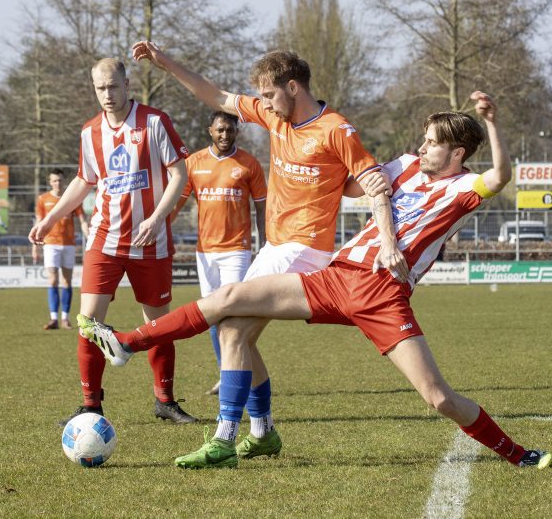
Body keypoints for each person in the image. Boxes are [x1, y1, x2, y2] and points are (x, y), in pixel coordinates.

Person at [79, 94, 552, 471]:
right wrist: (319, 167)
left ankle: (518, 454)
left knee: (438, 397)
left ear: (457, 153)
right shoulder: (406, 165)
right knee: (229, 300)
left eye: (432, 143)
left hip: (383, 297)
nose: (423, 147)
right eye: (425, 140)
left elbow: (500, 175)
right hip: (335, 277)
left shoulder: (462, 189)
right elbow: (356, 183)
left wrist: (492, 122)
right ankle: (127, 342)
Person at [131, 42, 390, 456]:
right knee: (235, 333)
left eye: (269, 94)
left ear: (293, 87)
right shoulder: (274, 116)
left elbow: (371, 181)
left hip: (305, 248)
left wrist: (386, 235)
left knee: (232, 326)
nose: (264, 103)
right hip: (276, 246)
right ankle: (263, 431)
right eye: (262, 97)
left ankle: (224, 437)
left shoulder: (336, 130)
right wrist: (165, 62)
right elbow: (215, 95)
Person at [28, 57, 197, 425]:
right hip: (105, 239)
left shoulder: (154, 122)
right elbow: (83, 181)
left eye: (113, 86)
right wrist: (51, 218)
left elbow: (179, 175)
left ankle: (165, 400)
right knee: (88, 322)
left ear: (127, 85)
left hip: (151, 240)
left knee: (158, 324)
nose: (107, 94)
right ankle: (91, 404)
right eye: (100, 88)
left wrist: (156, 218)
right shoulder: (90, 132)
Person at [170, 111, 268, 394]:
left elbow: (262, 207)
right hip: (205, 251)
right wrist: (158, 230)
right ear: (210, 131)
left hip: (237, 249)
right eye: (220, 130)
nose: (225, 135)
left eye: (230, 130)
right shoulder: (194, 162)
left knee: (232, 312)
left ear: (237, 131)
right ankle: (226, 371)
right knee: (212, 313)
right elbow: (175, 203)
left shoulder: (249, 163)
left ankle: (236, 372)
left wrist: (264, 243)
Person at [32, 169, 89, 330]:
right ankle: (53, 318)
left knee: (67, 281)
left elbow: (82, 220)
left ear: (64, 182)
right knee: (52, 280)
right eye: (55, 180)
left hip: (68, 244)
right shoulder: (43, 199)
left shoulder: (72, 198)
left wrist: (89, 236)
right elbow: (38, 222)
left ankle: (65, 318)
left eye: (60, 180)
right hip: (50, 243)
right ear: (50, 182)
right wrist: (35, 247)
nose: (58, 183)